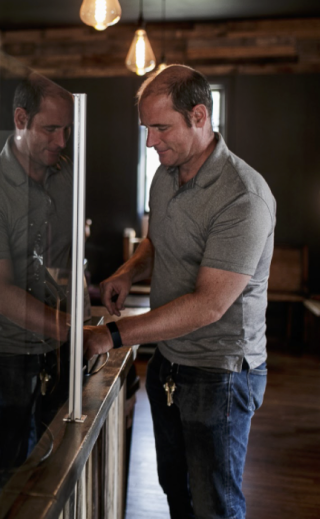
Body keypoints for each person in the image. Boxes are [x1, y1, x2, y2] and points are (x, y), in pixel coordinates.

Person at [86, 65, 275, 519]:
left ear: (199, 115)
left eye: (160, 127)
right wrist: (128, 271)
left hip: (219, 374)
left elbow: (210, 304)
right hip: (169, 363)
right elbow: (159, 240)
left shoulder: (242, 196)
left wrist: (112, 334)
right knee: (177, 491)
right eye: (146, 128)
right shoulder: (165, 176)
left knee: (215, 505)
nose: (150, 141)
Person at [0, 74, 73, 496]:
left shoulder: (63, 174)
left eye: (66, 130)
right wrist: (73, 331)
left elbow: (64, 260)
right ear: (21, 119)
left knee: (55, 465)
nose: (61, 141)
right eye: (51, 129)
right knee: (7, 472)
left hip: (58, 349)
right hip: (8, 354)